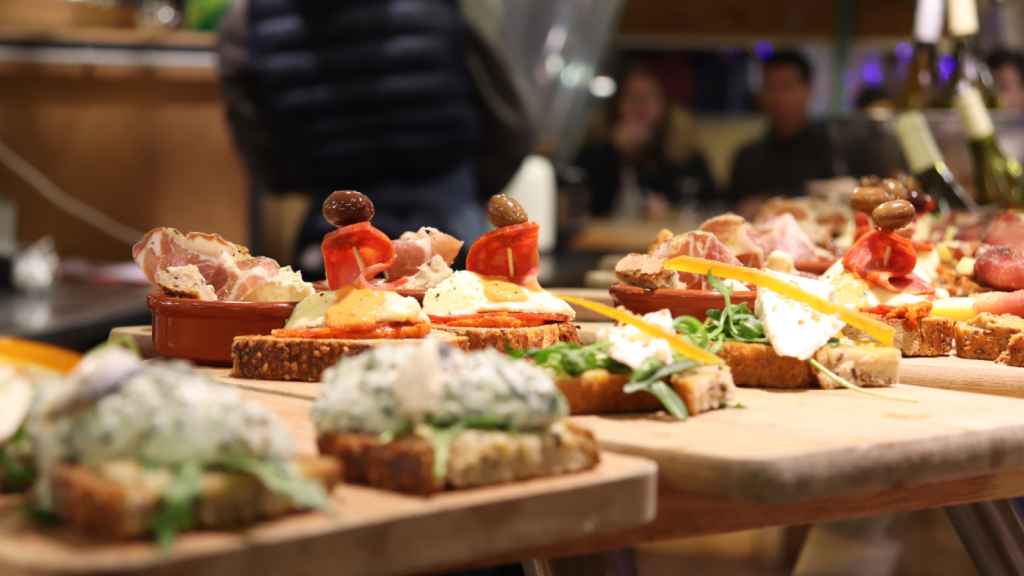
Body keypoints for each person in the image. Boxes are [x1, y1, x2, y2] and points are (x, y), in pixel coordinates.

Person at [217, 0, 532, 278]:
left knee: (328, 335)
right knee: (471, 336)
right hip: (449, 225)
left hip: (328, 237)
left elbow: (264, 159)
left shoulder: (248, 14)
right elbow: (511, 126)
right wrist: (466, 187)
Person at [574, 65, 718, 220]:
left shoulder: (687, 154)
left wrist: (670, 208)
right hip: (606, 241)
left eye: (650, 96)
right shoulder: (594, 149)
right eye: (632, 97)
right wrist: (611, 150)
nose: (640, 106)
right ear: (615, 106)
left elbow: (714, 205)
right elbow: (579, 203)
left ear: (665, 105)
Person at [729, 51, 835, 219]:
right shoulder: (747, 157)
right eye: (769, 87)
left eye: (787, 86)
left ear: (808, 90)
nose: (777, 97)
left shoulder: (830, 149)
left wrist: (769, 202)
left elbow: (833, 201)